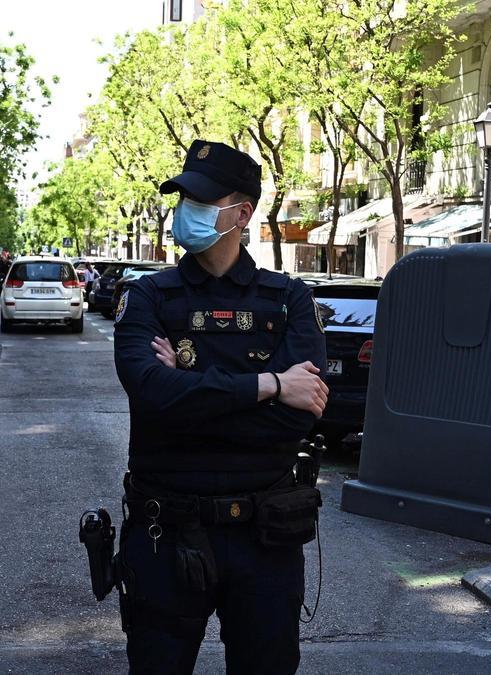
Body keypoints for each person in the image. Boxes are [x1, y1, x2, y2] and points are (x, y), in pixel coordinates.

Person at [112, 140, 329, 674]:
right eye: (184, 196)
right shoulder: (148, 298)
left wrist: (191, 388)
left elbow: (295, 419)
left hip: (265, 539)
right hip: (165, 533)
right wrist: (271, 383)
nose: (187, 209)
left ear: (242, 213)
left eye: (204, 200)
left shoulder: (288, 300)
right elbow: (153, 395)